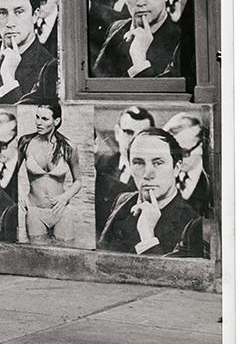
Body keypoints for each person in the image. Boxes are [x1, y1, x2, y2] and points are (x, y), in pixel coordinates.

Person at [97, 128, 201, 256]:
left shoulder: (193, 225)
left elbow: (171, 275)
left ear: (177, 168)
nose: (147, 174)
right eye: (139, 163)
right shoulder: (123, 200)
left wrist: (147, 236)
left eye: (158, 163)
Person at [93, 0, 182, 78]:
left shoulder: (182, 42)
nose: (140, 1)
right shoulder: (116, 28)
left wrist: (139, 62)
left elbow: (165, 95)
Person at [18, 101, 82, 243]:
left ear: (56, 121)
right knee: (37, 254)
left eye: (44, 119)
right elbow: (12, 173)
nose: (38, 123)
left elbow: (78, 181)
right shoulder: (25, 143)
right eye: (37, 117)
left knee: (66, 254)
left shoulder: (69, 147)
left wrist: (65, 197)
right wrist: (20, 194)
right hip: (35, 211)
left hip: (61, 211)